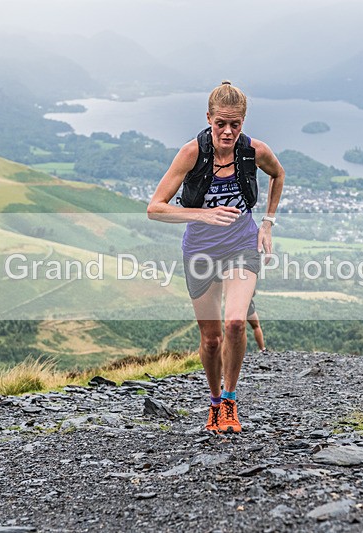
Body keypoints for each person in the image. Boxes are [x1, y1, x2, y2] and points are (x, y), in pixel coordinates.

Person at [147, 81, 285, 433]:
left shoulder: (254, 151)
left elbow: (278, 174)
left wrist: (267, 224)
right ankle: (212, 404)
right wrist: (202, 214)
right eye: (220, 123)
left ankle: (230, 401)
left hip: (242, 244)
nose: (227, 131)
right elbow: (155, 209)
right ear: (208, 118)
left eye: (235, 124)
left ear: (243, 122)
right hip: (200, 250)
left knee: (236, 323)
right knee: (210, 338)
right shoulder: (191, 153)